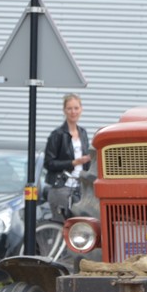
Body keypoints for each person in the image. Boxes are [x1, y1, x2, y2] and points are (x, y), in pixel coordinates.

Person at [44, 93, 92, 221]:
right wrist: (73, 162)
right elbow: (49, 163)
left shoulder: (83, 133)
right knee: (64, 225)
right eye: (69, 108)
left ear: (81, 109)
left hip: (79, 187)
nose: (73, 112)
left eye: (76, 108)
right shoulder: (57, 134)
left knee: (80, 225)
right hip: (62, 186)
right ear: (64, 110)